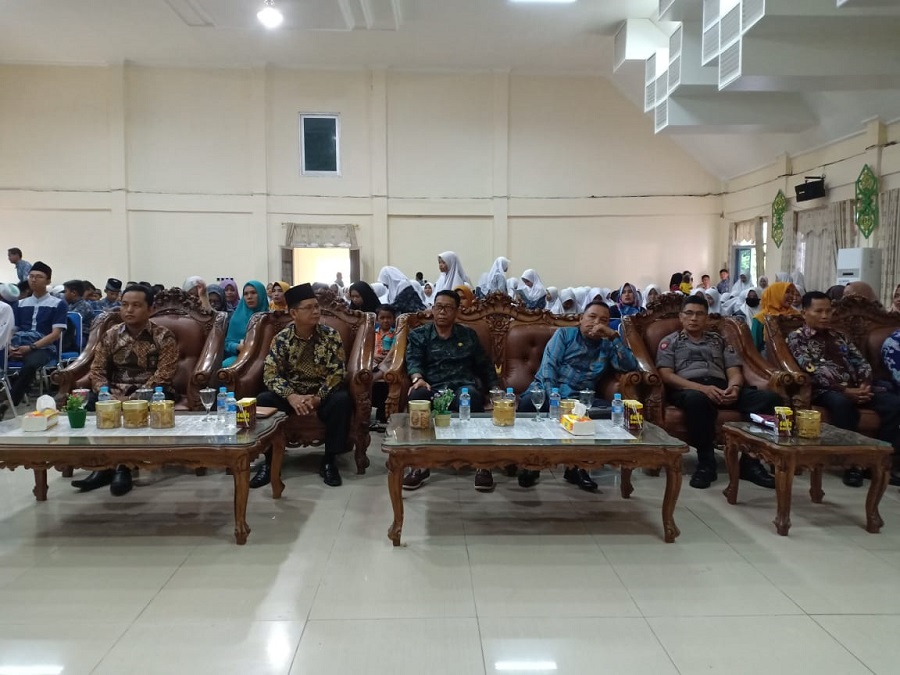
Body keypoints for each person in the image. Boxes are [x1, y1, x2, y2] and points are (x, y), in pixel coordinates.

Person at [656, 295, 778, 490]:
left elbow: (733, 370)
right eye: (689, 313)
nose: (694, 318)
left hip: (722, 387)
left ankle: (750, 463)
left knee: (770, 399)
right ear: (681, 316)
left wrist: (735, 388)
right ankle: (706, 463)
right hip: (689, 388)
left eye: (699, 314)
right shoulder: (670, 342)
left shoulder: (719, 341)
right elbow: (667, 375)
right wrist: (702, 389)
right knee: (697, 401)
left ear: (707, 318)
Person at [517, 301, 639, 489]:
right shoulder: (565, 334)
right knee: (528, 404)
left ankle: (577, 467)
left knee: (610, 412)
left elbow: (630, 366)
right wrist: (556, 400)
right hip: (549, 391)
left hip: (581, 398)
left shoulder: (607, 345)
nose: (596, 323)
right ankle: (531, 464)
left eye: (603, 320)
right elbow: (549, 368)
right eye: (592, 317)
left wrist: (614, 336)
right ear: (581, 318)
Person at [71, 284, 178, 495]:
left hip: (152, 390)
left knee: (141, 406)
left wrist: (135, 397)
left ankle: (123, 468)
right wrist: (105, 392)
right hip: (114, 391)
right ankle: (102, 466)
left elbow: (165, 373)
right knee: (89, 403)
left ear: (150, 309)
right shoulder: (111, 335)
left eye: (136, 305)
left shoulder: (163, 336)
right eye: (125, 305)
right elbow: (97, 369)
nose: (129, 310)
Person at [788, 291, 900, 487]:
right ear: (804, 313)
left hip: (858, 387)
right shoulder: (798, 338)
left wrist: (864, 384)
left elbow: (861, 362)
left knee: (894, 404)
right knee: (842, 404)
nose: (825, 316)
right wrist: (845, 391)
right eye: (819, 311)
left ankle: (882, 463)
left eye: (828, 311)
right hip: (824, 390)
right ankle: (852, 465)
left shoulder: (839, 336)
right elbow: (811, 369)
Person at [256, 283, 352, 488]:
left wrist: (318, 398)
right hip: (292, 396)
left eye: (316, 306)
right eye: (309, 307)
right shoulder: (281, 339)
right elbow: (270, 373)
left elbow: (337, 372)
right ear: (294, 313)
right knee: (264, 399)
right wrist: (291, 396)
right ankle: (270, 461)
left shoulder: (330, 335)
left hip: (321, 394)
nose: (316, 311)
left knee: (342, 399)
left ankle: (330, 460)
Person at [403, 290, 499, 491]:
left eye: (448, 308)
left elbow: (484, 365)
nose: (442, 312)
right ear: (432, 309)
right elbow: (413, 360)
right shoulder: (419, 335)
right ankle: (419, 464)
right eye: (438, 307)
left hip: (461, 388)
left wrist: (495, 389)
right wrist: (418, 378)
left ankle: (481, 464)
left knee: (471, 396)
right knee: (418, 396)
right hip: (432, 387)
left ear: (457, 312)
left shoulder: (468, 335)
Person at [2, 262, 68, 418]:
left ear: (48, 281)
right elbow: (12, 330)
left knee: (31, 364)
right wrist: (9, 346)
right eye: (31, 276)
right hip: (18, 344)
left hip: (44, 347)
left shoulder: (58, 304)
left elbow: (55, 334)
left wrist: (31, 347)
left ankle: (7, 403)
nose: (33, 280)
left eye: (39, 277)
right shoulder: (20, 304)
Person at [222, 281, 269, 368]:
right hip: (242, 356)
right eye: (246, 294)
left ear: (261, 294)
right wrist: (237, 347)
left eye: (253, 293)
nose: (249, 297)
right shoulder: (237, 318)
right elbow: (227, 343)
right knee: (226, 365)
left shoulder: (271, 317)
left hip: (268, 357)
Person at [750, 281, 801, 353]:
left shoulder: (796, 314)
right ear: (776, 294)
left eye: (792, 293)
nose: (791, 296)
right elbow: (755, 347)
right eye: (787, 292)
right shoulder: (760, 318)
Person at [62, 279, 94, 346]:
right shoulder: (70, 305)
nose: (64, 295)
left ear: (73, 293)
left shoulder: (84, 306)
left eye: (65, 291)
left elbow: (71, 323)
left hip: (82, 336)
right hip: (70, 335)